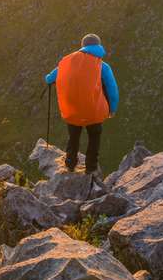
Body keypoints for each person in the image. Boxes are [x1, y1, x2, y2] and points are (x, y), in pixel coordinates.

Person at [44, 33, 119, 178]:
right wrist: (112, 109)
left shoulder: (68, 62)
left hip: (73, 110)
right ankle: (91, 168)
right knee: (94, 138)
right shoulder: (102, 66)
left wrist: (49, 79)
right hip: (94, 111)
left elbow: (49, 78)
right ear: (98, 46)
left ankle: (70, 164)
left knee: (73, 137)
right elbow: (112, 88)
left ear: (83, 46)